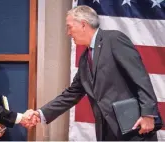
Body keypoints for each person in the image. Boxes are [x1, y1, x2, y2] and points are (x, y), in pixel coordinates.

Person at [29, 5, 160, 141]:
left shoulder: (114, 40)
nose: (68, 33)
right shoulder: (85, 59)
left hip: (135, 128)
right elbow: (72, 93)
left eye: (69, 27)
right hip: (107, 133)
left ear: (83, 25)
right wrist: (40, 114)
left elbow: (140, 77)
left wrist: (148, 115)